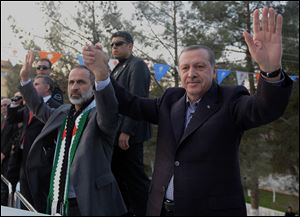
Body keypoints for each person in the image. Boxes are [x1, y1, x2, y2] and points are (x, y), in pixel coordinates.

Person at [83, 7, 293, 216]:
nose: (191, 74)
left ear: (213, 70)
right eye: (185, 68)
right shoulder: (170, 100)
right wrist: (102, 74)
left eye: (199, 66)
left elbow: (265, 108)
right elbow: (131, 104)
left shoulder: (231, 100)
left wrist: (270, 71)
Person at [19, 51, 126, 216]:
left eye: (81, 82)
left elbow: (109, 108)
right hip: (58, 200)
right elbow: (39, 107)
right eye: (71, 82)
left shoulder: (100, 115)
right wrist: (26, 79)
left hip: (88, 202)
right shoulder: (62, 112)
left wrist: (101, 75)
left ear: (93, 86)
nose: (75, 87)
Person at [110, 31, 151, 216]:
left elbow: (137, 99)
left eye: (119, 43)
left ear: (130, 45)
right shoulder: (117, 67)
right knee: (119, 178)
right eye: (112, 45)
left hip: (129, 135)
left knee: (135, 179)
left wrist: (126, 131)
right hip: (115, 133)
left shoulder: (137, 65)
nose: (114, 47)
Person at [6, 75, 62, 209]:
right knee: (25, 197)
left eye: (36, 84)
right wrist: (14, 102)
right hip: (24, 156)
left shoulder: (56, 107)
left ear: (47, 87)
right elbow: (12, 119)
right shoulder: (28, 107)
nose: (32, 87)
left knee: (38, 197)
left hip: (42, 159)